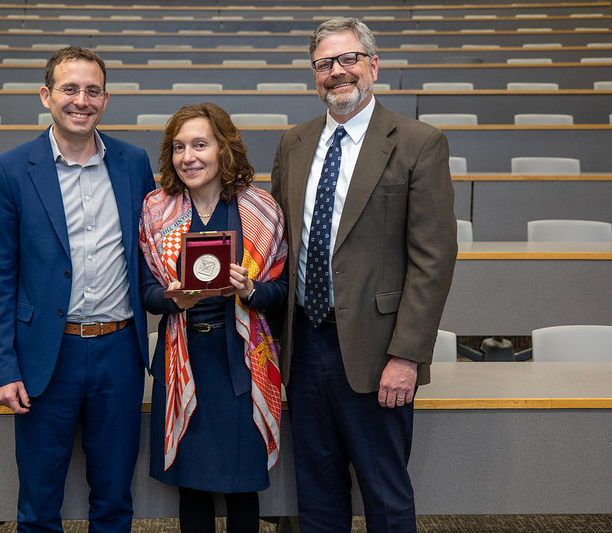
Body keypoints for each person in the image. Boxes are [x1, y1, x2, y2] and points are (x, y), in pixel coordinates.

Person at [270, 18, 458, 533]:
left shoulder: (419, 142)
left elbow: (433, 259)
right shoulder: (293, 143)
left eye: (348, 58)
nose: (337, 71)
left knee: (385, 496)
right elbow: (280, 244)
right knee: (317, 497)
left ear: (373, 65)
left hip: (377, 352)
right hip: (304, 346)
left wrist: (407, 355)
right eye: (324, 63)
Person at [0, 46, 154, 532]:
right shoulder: (11, 169)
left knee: (115, 500)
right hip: (45, 356)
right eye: (70, 89)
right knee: (38, 505)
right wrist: (2, 368)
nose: (82, 100)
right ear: (46, 95)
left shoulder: (133, 162)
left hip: (119, 351)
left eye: (93, 90)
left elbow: (150, 251)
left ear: (105, 99)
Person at [139, 103, 288, 533]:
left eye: (200, 145)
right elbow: (146, 293)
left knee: (243, 487)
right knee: (192, 489)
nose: (188, 157)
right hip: (183, 364)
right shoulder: (156, 210)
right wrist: (173, 300)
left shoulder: (261, 209)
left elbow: (281, 292)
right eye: (179, 147)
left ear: (223, 148)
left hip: (242, 366)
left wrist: (250, 290)